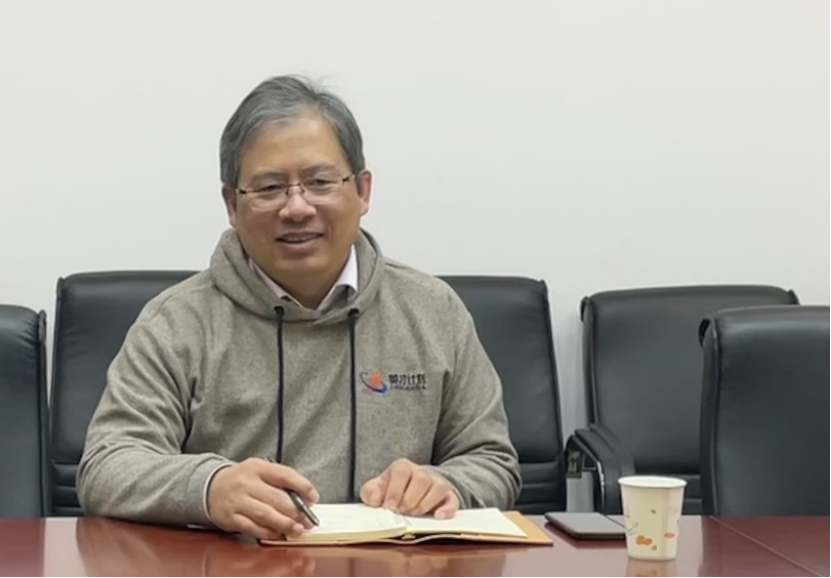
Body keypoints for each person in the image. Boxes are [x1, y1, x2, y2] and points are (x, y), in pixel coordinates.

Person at [76, 74, 521, 541]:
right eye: (269, 188)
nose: (296, 207)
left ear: (363, 191)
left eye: (320, 182)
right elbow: (107, 466)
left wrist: (446, 485)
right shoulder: (177, 322)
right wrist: (209, 488)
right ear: (232, 204)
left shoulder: (433, 311)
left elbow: (492, 462)